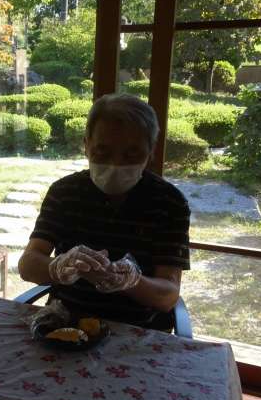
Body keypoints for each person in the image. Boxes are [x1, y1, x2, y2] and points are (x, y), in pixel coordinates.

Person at [19, 94, 191, 331]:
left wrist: (129, 281)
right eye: (102, 152)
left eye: (131, 154)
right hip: (66, 325)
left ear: (151, 152)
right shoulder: (64, 193)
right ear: (86, 145)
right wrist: (58, 266)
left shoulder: (169, 203)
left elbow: (168, 296)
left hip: (135, 331)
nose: (115, 164)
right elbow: (27, 266)